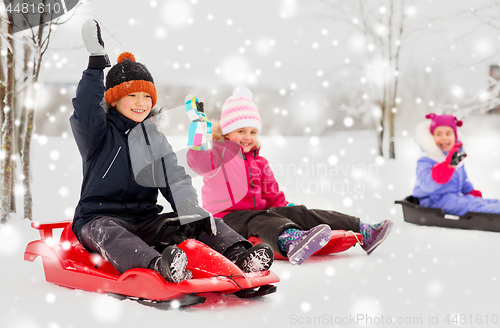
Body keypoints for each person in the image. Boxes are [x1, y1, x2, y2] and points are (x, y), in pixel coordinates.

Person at [70, 20, 273, 284]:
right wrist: (96, 64)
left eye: (146, 96)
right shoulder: (97, 134)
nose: (141, 103)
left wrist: (189, 208)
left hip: (145, 219)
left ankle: (240, 254)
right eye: (132, 96)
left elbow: (174, 177)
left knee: (199, 219)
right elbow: (85, 110)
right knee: (110, 232)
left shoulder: (154, 138)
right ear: (115, 99)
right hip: (97, 219)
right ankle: (159, 265)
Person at [186, 87, 393, 265]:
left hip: (259, 213)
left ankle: (362, 230)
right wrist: (198, 129)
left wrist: (289, 210)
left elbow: (274, 195)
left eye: (252, 132)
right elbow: (196, 160)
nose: (247, 137)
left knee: (301, 212)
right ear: (227, 132)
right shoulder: (217, 155)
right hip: (226, 219)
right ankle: (291, 240)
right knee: (260, 219)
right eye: (241, 131)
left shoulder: (260, 162)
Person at [412, 113, 500, 215]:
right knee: (471, 205)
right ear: (432, 137)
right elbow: (427, 185)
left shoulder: (454, 157)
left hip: (453, 198)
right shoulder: (426, 160)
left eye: (448, 133)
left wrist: (470, 192)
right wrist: (447, 166)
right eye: (439, 134)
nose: (444, 138)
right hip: (433, 201)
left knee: (481, 202)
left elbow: (463, 180)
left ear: (455, 136)